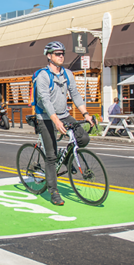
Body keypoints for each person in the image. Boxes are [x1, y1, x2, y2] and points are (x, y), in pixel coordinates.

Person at [34, 41, 93, 206]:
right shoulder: (43, 76)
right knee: (51, 156)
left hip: (64, 114)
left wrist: (86, 114)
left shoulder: (67, 74)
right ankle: (53, 191)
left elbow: (75, 94)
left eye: (62, 54)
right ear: (49, 56)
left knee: (83, 138)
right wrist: (55, 121)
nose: (61, 56)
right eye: (57, 54)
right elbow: (44, 100)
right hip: (46, 117)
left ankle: (66, 158)